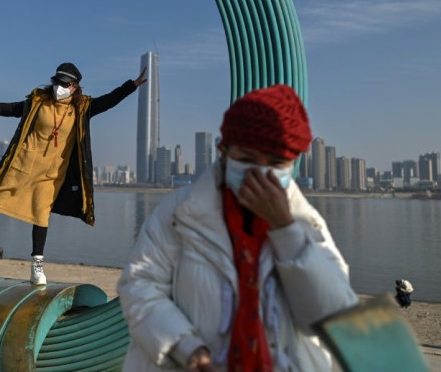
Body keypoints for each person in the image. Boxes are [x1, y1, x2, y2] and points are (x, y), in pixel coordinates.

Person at [117, 84, 358, 372]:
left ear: (292, 164)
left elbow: (332, 317)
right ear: (224, 150)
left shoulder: (307, 222)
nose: (260, 173)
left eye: (276, 163)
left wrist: (286, 230)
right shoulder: (180, 214)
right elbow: (139, 284)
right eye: (246, 159)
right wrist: (185, 347)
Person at [0, 62, 147, 285]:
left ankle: (37, 265)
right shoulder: (38, 103)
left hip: (51, 174)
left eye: (64, 84)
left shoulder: (82, 109)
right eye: (56, 82)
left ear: (74, 86)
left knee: (41, 214)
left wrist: (132, 85)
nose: (58, 88)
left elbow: (110, 100)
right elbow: (13, 109)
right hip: (24, 164)